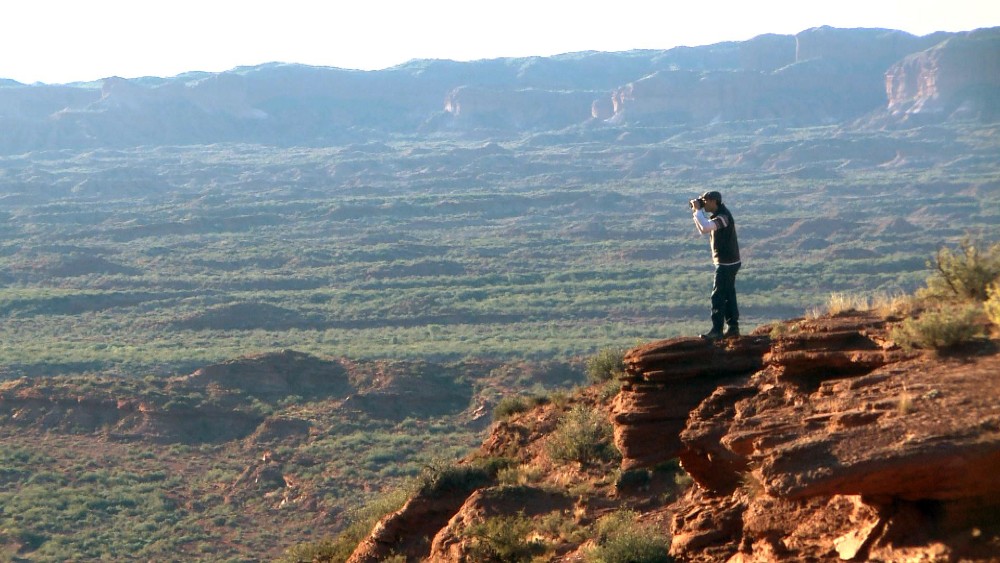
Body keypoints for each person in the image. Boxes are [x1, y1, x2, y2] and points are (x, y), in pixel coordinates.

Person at [691, 190, 741, 340]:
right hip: (729, 261)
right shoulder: (719, 215)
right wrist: (696, 212)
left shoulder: (723, 217)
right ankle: (732, 327)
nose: (703, 203)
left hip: (727, 263)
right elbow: (703, 229)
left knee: (718, 296)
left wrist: (698, 211)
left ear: (714, 201)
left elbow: (706, 227)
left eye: (705, 201)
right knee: (728, 294)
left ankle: (717, 330)